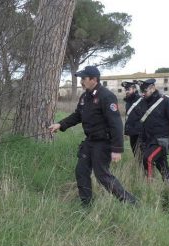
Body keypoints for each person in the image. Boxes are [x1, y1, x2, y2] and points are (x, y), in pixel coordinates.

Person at [49, 66, 137, 206]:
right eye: (81, 79)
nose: (81, 81)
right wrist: (60, 124)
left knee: (102, 176)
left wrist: (117, 149)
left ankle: (130, 202)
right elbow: (78, 115)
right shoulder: (85, 97)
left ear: (94, 79)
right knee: (81, 171)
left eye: (84, 78)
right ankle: (86, 204)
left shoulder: (106, 96)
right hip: (89, 142)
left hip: (103, 143)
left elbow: (116, 124)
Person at [138, 78, 169, 183]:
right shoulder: (144, 102)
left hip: (162, 140)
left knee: (148, 159)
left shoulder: (166, 101)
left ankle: (149, 188)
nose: (143, 94)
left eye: (145, 91)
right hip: (150, 140)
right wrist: (143, 141)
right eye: (142, 92)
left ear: (153, 88)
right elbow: (144, 123)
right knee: (162, 165)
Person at [121, 80, 145, 159]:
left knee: (143, 156)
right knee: (136, 155)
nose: (127, 91)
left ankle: (146, 171)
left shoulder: (141, 100)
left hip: (141, 133)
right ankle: (140, 171)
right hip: (132, 133)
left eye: (128, 89)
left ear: (134, 89)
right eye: (126, 89)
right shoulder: (128, 101)